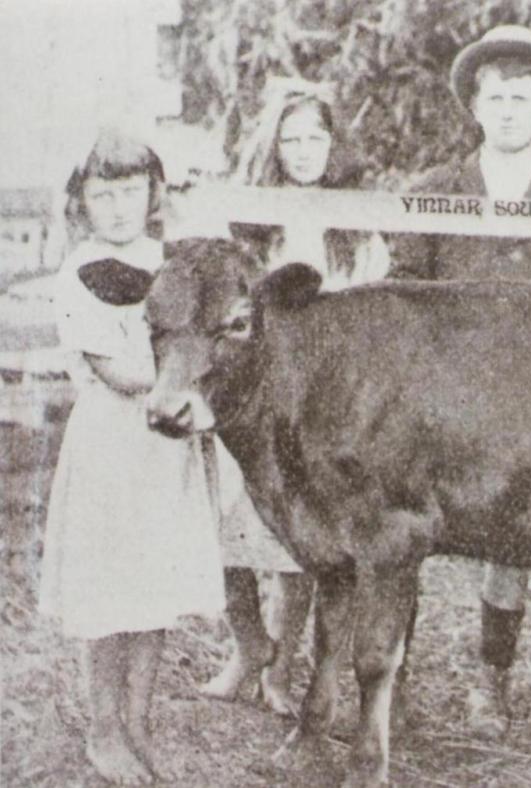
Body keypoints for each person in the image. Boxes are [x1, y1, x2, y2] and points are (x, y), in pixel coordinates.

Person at [389, 25, 531, 737]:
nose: (508, 110)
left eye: (522, 97)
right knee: (402, 538)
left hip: (526, 408)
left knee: (508, 543)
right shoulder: (431, 192)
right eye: (495, 98)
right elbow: (399, 291)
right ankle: (392, 677)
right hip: (435, 404)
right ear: (474, 108)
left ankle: (492, 681)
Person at [38, 128, 225, 783]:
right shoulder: (82, 272)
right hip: (114, 449)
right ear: (82, 201)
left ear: (153, 193)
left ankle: (140, 721)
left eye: (131, 191)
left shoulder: (170, 258)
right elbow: (119, 371)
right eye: (103, 193)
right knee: (108, 596)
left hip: (165, 451)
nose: (119, 206)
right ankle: (103, 729)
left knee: (152, 592)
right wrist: (190, 367)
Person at [202, 79, 388, 716]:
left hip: (320, 407)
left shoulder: (357, 226)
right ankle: (245, 645)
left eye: (316, 137)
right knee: (229, 526)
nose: (304, 150)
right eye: (291, 138)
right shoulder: (249, 222)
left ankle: (280, 665)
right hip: (248, 401)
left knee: (294, 539)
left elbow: (371, 318)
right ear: (271, 144)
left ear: (334, 144)